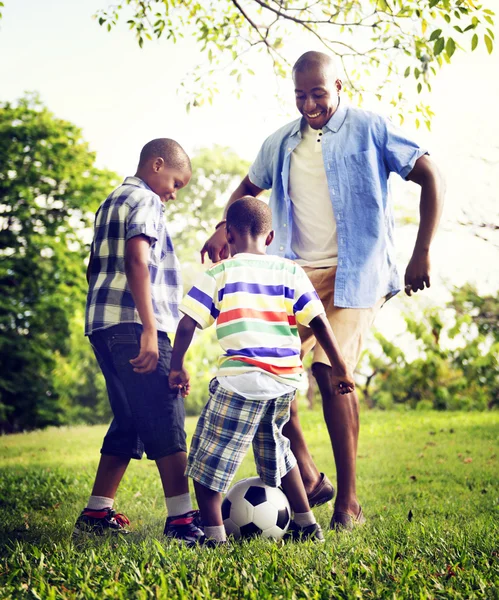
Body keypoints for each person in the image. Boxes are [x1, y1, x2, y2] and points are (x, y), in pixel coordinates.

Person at [201, 51, 445, 529]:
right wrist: (220, 228)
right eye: (300, 95)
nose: (309, 103)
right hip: (294, 274)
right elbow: (246, 190)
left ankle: (348, 499)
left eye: (318, 93)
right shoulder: (281, 142)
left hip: (358, 271)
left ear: (339, 87)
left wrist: (422, 253)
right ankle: (309, 477)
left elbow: (430, 175)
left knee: (331, 371)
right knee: (268, 373)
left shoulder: (370, 128)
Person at [169, 196, 355, 545]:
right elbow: (319, 322)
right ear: (269, 238)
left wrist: (176, 367)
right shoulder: (290, 272)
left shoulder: (219, 272)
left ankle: (214, 538)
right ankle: (306, 524)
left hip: (241, 380)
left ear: (229, 236)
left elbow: (187, 324)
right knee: (278, 452)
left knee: (205, 462)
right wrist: (341, 367)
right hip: (284, 381)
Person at [74, 138, 203, 544]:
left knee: (129, 416)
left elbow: (94, 267)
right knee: (167, 413)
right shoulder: (147, 201)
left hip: (102, 324)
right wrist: (149, 327)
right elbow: (136, 259)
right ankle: (182, 521)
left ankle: (97, 511)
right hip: (133, 324)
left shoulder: (111, 200)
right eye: (176, 183)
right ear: (157, 164)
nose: (174, 193)